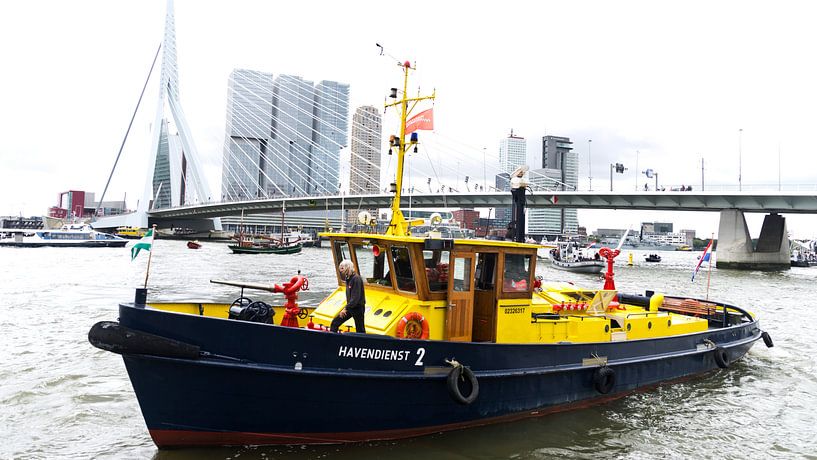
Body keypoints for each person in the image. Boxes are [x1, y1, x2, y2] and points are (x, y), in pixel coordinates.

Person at [330, 260, 366, 333]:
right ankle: (333, 339)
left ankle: (362, 343)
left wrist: (345, 308)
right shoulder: (348, 279)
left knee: (360, 329)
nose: (340, 270)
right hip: (350, 307)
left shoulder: (356, 279)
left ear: (348, 268)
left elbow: (355, 298)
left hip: (357, 308)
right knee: (335, 323)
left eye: (342, 268)